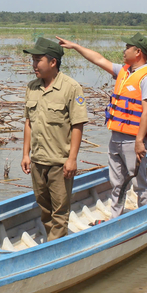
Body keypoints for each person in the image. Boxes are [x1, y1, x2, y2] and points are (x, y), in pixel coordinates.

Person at [57, 33, 147, 218]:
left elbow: (146, 112)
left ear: (138, 52)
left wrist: (139, 141)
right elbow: (98, 59)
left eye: (127, 47)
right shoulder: (124, 72)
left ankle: (146, 216)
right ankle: (116, 217)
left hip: (133, 140)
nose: (124, 50)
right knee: (117, 182)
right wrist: (76, 47)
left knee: (139, 182)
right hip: (116, 137)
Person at [21, 37, 88, 241]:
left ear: (53, 62)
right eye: (32, 60)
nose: (34, 65)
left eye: (38, 60)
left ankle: (54, 248)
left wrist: (72, 159)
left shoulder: (71, 88)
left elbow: (78, 125)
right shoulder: (32, 87)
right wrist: (25, 154)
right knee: (44, 208)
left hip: (60, 163)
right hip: (38, 161)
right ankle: (52, 240)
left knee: (60, 212)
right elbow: (28, 122)